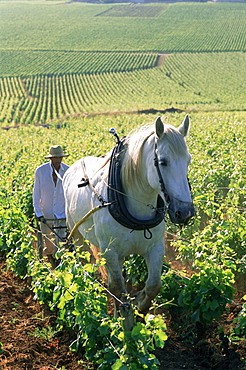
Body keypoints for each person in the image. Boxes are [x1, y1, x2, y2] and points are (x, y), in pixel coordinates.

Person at [33, 145, 69, 267]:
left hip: (61, 213)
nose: (58, 160)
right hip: (46, 213)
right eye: (55, 157)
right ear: (51, 158)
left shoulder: (68, 171)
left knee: (61, 243)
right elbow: (36, 193)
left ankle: (58, 265)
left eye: (60, 157)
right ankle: (50, 258)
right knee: (48, 244)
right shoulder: (41, 171)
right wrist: (38, 213)